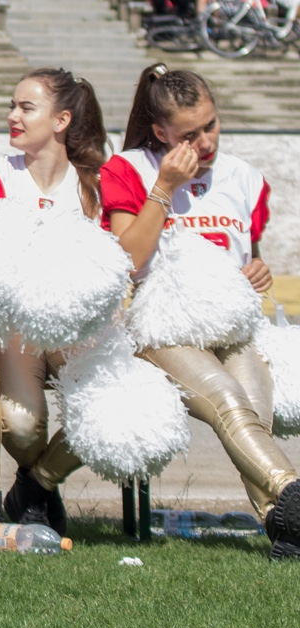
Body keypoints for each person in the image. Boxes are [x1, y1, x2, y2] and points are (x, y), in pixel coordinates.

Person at [101, 65, 300, 559]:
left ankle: (288, 532)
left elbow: (243, 256)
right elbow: (128, 262)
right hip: (163, 328)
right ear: (160, 131)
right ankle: (296, 496)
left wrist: (257, 271)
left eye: (210, 124)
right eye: (189, 133)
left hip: (231, 326)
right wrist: (165, 186)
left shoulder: (245, 177)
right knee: (230, 401)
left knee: (256, 412)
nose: (205, 140)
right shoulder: (129, 168)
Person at [0, 68, 108, 536]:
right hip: (15, 328)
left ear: (61, 120)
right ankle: (39, 487)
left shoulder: (94, 185)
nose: (13, 116)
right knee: (22, 425)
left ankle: (35, 488)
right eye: (11, 106)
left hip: (80, 329)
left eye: (25, 107)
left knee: (109, 409)